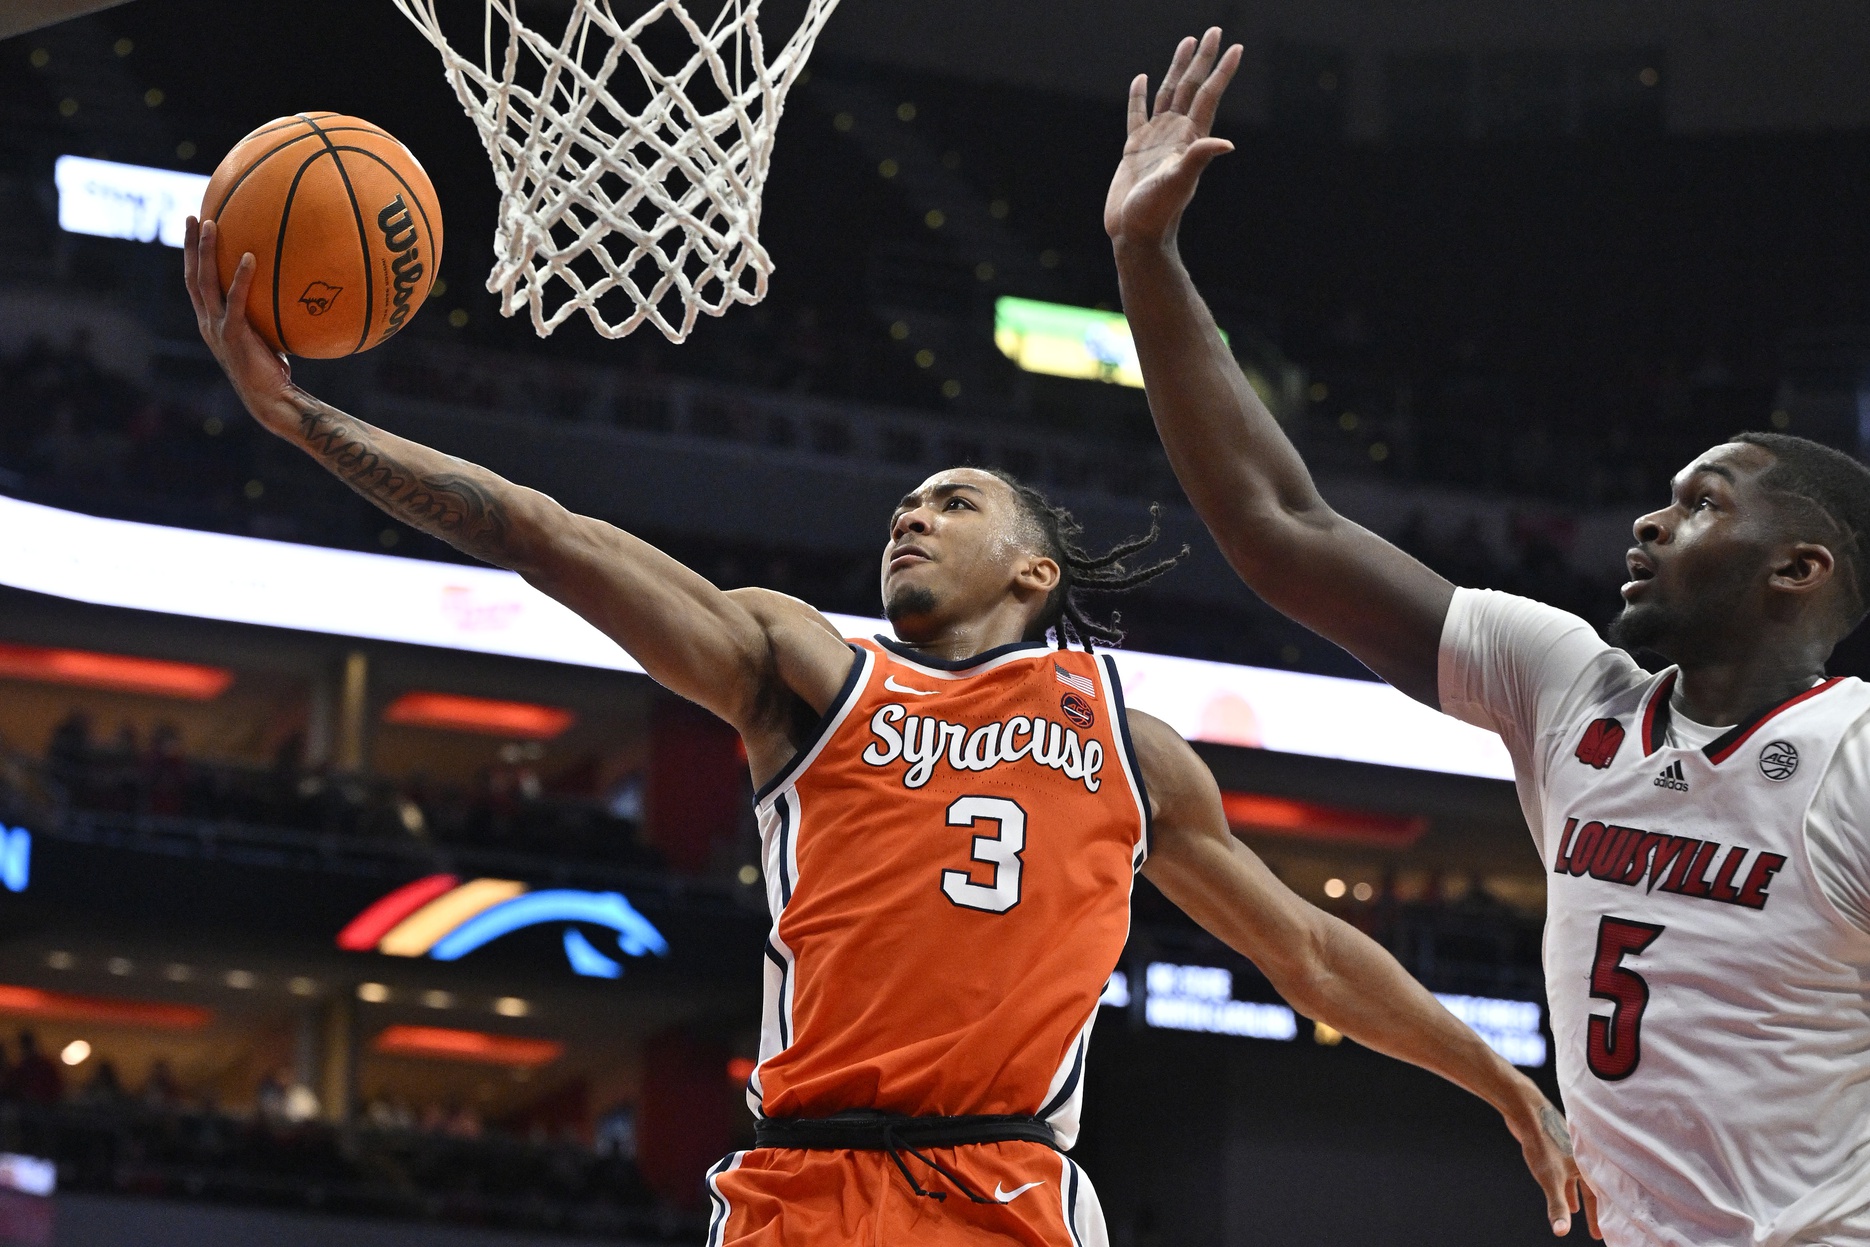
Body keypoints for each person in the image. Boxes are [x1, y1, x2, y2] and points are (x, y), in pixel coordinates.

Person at [183, 216, 1576, 1244]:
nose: (910, 511)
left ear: (1035, 571)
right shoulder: (802, 668)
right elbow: (546, 533)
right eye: (903, 500)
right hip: (801, 1183)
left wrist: (1501, 1085)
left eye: (954, 499)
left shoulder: (1123, 741)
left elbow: (1311, 952)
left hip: (1006, 1185)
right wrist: (300, 419)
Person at [1109, 29, 1870, 1246]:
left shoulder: (1853, 755)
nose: (1650, 518)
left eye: (1701, 503)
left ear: (1799, 566)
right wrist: (1145, 255)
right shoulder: (1567, 685)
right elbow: (1279, 527)